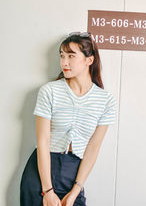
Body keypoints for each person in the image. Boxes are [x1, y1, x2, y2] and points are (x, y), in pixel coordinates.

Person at [20, 31, 117, 206]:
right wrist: (47, 190)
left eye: (71, 56)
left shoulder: (106, 101)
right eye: (62, 56)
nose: (64, 62)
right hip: (41, 172)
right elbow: (43, 141)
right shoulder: (49, 91)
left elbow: (93, 147)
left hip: (74, 173)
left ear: (89, 60)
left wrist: (75, 191)